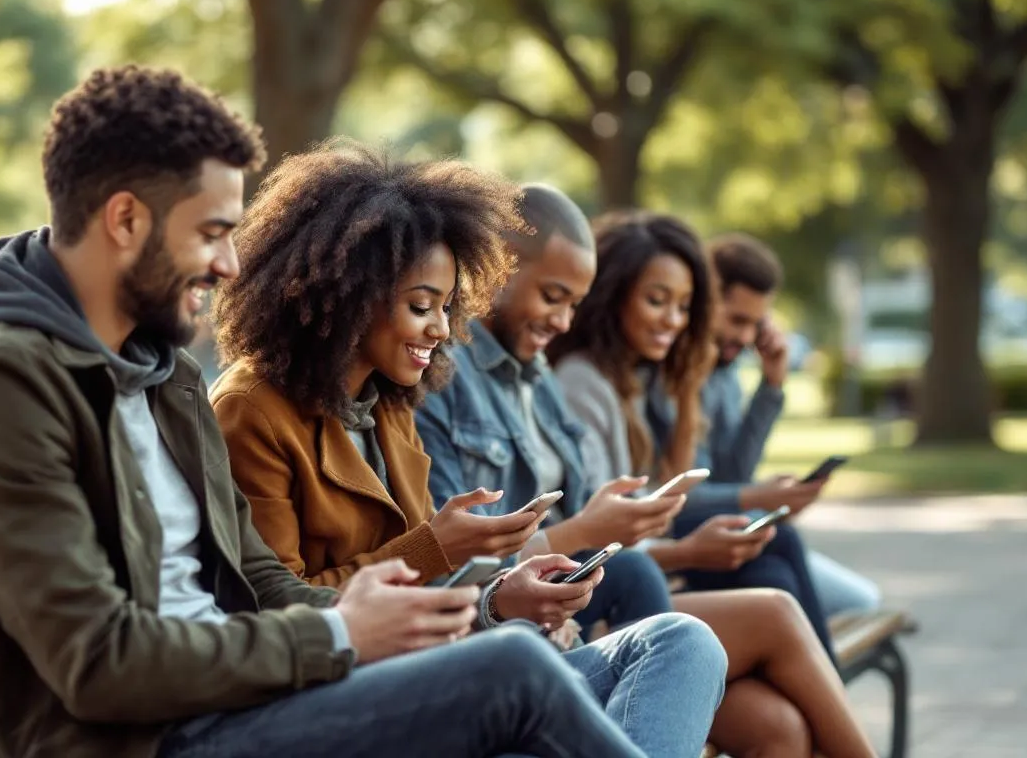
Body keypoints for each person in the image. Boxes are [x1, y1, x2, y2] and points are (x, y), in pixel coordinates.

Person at [0, 66, 674, 758]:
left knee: (613, 658)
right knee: (514, 675)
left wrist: (467, 608)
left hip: (238, 707)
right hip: (134, 741)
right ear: (125, 220)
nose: (231, 265)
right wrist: (340, 633)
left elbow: (262, 582)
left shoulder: (159, 372)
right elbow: (97, 664)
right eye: (211, 233)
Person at [209, 142, 728, 758]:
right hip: (347, 698)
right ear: (350, 292)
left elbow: (433, 593)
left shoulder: (389, 403)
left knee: (682, 642)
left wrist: (500, 598)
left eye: (447, 308)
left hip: (433, 668)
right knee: (522, 663)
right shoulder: (252, 410)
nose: (441, 330)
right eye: (420, 306)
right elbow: (277, 610)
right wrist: (436, 547)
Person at [420, 185, 879, 758]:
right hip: (541, 619)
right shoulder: (480, 377)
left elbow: (602, 517)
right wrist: (664, 543)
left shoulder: (541, 375)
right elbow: (468, 564)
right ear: (495, 269)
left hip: (581, 599)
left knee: (778, 721)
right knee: (769, 607)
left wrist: (763, 397)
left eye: (571, 303)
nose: (562, 320)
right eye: (553, 296)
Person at [547, 210, 836, 657]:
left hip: (639, 562)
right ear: (615, 294)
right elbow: (624, 521)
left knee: (777, 573)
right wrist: (691, 546)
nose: (673, 320)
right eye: (657, 301)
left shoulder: (636, 378)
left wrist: (755, 386)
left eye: (683, 307)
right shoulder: (588, 381)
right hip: (616, 581)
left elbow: (712, 477)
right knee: (780, 572)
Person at [687, 232, 882, 617]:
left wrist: (772, 386)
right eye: (737, 320)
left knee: (859, 601)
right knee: (784, 571)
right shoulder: (676, 380)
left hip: (723, 535)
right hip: (691, 542)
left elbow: (733, 473)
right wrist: (758, 497)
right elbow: (693, 492)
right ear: (706, 301)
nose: (745, 337)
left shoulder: (724, 376)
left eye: (756, 324)